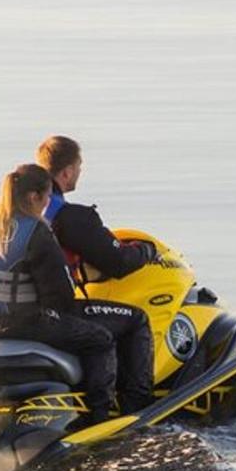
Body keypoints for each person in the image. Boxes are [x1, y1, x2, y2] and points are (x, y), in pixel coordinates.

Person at [0, 164, 118, 424]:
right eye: (46, 198)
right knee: (101, 339)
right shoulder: (36, 232)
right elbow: (61, 297)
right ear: (35, 197)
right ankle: (99, 417)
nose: (46, 205)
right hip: (19, 326)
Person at [35, 135, 155, 414]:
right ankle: (135, 408)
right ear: (67, 172)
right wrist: (145, 251)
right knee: (135, 320)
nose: (79, 172)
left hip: (3, 311)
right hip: (52, 314)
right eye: (79, 166)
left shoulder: (9, 213)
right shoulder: (71, 217)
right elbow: (118, 262)